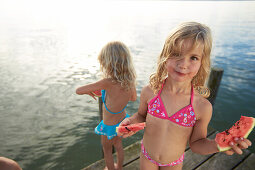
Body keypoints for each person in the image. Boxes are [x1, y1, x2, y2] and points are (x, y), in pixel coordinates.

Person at [117, 22, 252, 170]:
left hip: (173, 163)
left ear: (202, 62)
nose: (183, 64)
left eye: (193, 57)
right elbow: (141, 116)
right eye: (176, 54)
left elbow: (197, 143)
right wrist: (131, 121)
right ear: (165, 56)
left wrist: (218, 145)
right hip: (147, 156)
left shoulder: (202, 107)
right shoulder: (150, 91)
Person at [76, 41, 137, 170]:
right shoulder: (130, 80)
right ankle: (119, 167)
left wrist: (89, 92)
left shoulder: (107, 82)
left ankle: (110, 169)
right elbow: (133, 98)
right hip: (122, 121)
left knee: (107, 149)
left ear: (108, 63)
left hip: (108, 125)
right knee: (119, 146)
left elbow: (78, 90)